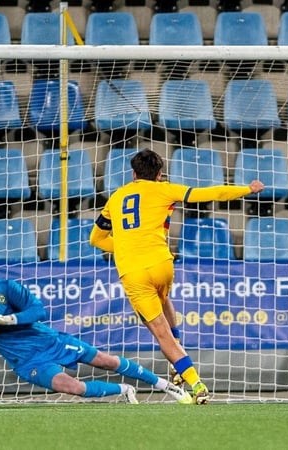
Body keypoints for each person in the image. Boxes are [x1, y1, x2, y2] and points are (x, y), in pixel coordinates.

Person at [0, 247, 192, 405]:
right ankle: (124, 390)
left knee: (106, 360)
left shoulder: (6, 287)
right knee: (71, 387)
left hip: (51, 341)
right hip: (27, 361)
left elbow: (39, 310)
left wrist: (9, 318)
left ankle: (165, 386)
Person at [89, 148, 265, 405]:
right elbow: (210, 193)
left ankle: (196, 383)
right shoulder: (165, 189)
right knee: (163, 299)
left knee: (162, 335)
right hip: (162, 264)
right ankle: (178, 355)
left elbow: (96, 238)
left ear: (133, 174)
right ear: (159, 174)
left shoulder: (115, 198)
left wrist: (127, 246)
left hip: (134, 272)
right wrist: (247, 189)